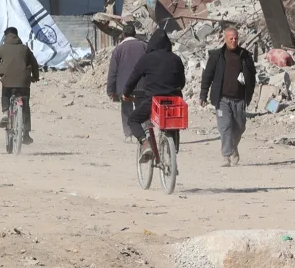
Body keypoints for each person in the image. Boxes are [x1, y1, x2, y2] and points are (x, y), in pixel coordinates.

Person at [123, 29, 185, 162]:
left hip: (154, 100)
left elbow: (133, 79)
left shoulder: (146, 59)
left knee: (133, 120)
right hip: (174, 100)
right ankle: (173, 150)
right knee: (173, 120)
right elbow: (182, 82)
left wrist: (126, 94)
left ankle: (145, 143)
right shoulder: (176, 59)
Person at [199, 27, 256, 166]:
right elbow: (207, 76)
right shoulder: (217, 56)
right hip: (222, 99)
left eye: (236, 38)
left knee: (239, 128)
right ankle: (226, 156)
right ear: (225, 39)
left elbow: (252, 77)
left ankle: (233, 147)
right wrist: (203, 94)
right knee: (225, 127)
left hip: (240, 99)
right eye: (231, 38)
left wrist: (249, 94)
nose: (234, 40)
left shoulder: (245, 56)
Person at [0, 27, 40, 144]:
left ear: (5, 36)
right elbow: (34, 64)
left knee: (6, 93)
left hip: (8, 81)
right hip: (24, 82)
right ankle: (26, 133)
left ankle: (5, 113)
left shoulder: (2, 48)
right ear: (16, 36)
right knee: (25, 106)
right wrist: (35, 77)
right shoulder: (25, 48)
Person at [106, 23, 147, 141]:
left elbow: (113, 72)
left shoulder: (118, 49)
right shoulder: (144, 46)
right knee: (142, 108)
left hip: (125, 87)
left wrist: (111, 90)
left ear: (123, 35)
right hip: (142, 85)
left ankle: (128, 135)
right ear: (135, 34)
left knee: (126, 109)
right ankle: (145, 133)